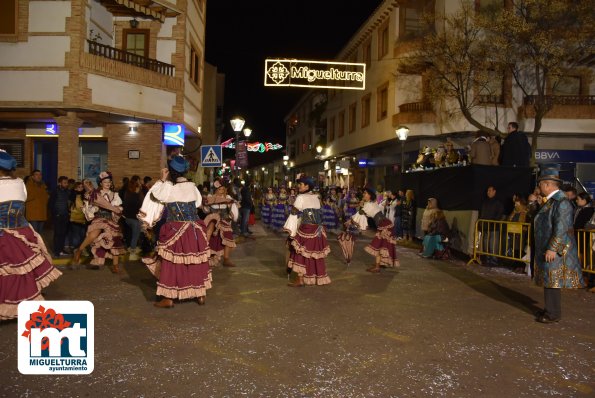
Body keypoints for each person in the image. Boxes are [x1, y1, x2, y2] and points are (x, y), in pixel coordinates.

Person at [138, 156, 211, 308]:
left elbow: (155, 194)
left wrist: (162, 179)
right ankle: (200, 295)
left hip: (175, 229)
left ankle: (168, 299)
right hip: (194, 230)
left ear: (171, 171)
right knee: (195, 261)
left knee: (171, 263)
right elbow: (197, 203)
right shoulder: (192, 187)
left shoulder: (169, 188)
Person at [0, 150, 61, 320]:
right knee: (21, 273)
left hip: (4, 235)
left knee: (7, 273)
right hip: (21, 230)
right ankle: (18, 306)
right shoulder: (19, 182)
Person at [533, 165, 585, 323]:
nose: (539, 187)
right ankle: (550, 309)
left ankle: (553, 313)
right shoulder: (552, 201)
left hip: (555, 249)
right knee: (550, 280)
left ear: (548, 185)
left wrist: (552, 249)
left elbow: (561, 228)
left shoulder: (561, 202)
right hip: (549, 247)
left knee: (553, 281)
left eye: (541, 184)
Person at [73, 171, 126, 272]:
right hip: (99, 218)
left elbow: (118, 207)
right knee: (93, 235)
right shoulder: (96, 194)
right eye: (105, 182)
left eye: (109, 182)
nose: (108, 183)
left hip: (110, 219)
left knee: (114, 240)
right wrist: (94, 208)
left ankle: (115, 265)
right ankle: (79, 251)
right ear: (101, 183)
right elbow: (91, 205)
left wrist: (118, 210)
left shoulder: (115, 195)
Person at [283, 176, 331, 287]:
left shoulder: (301, 197)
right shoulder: (316, 197)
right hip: (318, 229)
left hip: (307, 229)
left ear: (307, 186)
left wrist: (290, 230)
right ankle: (315, 277)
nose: (299, 186)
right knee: (314, 254)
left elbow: (294, 213)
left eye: (301, 184)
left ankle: (300, 279)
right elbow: (318, 213)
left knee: (299, 252)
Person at [350, 187, 400, 272]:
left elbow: (359, 215)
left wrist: (350, 221)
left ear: (370, 195)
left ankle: (377, 267)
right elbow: (363, 213)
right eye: (364, 193)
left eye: (365, 193)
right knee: (382, 245)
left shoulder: (369, 204)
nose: (363, 194)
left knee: (378, 245)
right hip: (385, 224)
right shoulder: (372, 203)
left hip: (384, 226)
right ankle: (380, 263)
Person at [203, 180, 239, 267]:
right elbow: (206, 210)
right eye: (219, 189)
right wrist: (205, 204)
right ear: (216, 190)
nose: (221, 191)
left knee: (228, 235)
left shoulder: (228, 197)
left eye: (223, 189)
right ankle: (205, 253)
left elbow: (233, 211)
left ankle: (226, 259)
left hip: (224, 220)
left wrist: (231, 210)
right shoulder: (211, 196)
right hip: (213, 219)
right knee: (210, 229)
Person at [479, 185, 505, 266]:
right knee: (486, 244)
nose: (488, 192)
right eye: (487, 191)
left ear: (494, 191)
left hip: (494, 227)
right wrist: (480, 224)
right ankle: (487, 259)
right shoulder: (484, 202)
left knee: (493, 244)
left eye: (490, 190)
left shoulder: (498, 203)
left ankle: (494, 260)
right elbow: (481, 214)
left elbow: (499, 214)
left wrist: (493, 222)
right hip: (485, 227)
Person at [122, 176, 145, 261]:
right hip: (135, 220)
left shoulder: (127, 195)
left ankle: (131, 248)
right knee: (135, 236)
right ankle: (132, 252)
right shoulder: (136, 197)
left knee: (131, 235)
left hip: (127, 219)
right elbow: (141, 208)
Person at [49, 175, 71, 257]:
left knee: (63, 233)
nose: (66, 184)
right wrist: (55, 214)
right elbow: (51, 204)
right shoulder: (55, 191)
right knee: (57, 233)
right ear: (60, 183)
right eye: (64, 183)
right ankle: (56, 251)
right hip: (58, 216)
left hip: (65, 215)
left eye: (67, 183)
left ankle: (61, 250)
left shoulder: (67, 191)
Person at [68, 181, 88, 265]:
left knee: (83, 235)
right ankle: (76, 250)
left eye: (82, 187)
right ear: (75, 188)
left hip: (84, 219)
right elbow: (69, 207)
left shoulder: (85, 196)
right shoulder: (72, 196)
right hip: (75, 219)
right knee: (76, 235)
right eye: (79, 187)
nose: (81, 189)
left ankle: (82, 249)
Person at [25, 169, 49, 234]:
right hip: (33, 215)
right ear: (32, 176)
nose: (39, 176)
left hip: (42, 214)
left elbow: (46, 199)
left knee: (40, 235)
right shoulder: (28, 185)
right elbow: (25, 198)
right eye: (36, 175)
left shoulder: (43, 186)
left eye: (40, 175)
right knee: (34, 235)